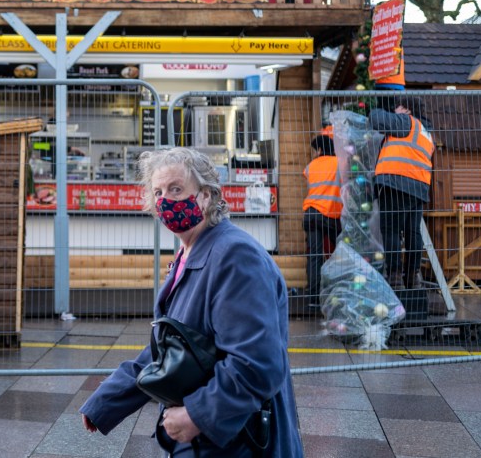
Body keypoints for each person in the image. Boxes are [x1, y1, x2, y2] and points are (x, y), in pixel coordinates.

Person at [80, 147, 303, 457]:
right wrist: (106, 402)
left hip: (240, 441)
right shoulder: (191, 254)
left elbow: (257, 363)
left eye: (176, 189)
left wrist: (197, 415)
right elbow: (170, 346)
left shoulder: (235, 257)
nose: (164, 201)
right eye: (157, 192)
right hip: (210, 442)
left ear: (206, 196)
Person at [370, 96, 434, 290]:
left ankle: (395, 276)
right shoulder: (426, 133)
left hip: (395, 181)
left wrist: (385, 110)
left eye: (397, 107)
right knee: (412, 231)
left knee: (391, 230)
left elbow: (375, 118)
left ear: (406, 109)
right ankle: (413, 277)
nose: (394, 110)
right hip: (419, 186)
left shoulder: (406, 122)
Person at [303, 125, 342, 309]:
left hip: (310, 213)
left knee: (314, 256)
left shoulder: (310, 166)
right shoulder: (339, 164)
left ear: (319, 150)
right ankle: (340, 290)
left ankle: (312, 298)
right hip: (330, 215)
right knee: (340, 253)